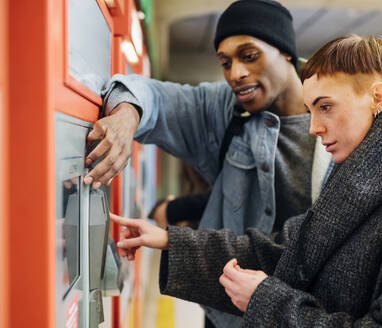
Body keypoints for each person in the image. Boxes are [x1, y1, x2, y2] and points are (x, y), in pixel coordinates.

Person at [110, 35, 382, 327]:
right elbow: (284, 251)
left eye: (325, 107)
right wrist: (166, 240)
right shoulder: (360, 183)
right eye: (310, 110)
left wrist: (267, 302)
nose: (314, 128)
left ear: (378, 98)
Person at [84, 1, 331, 327]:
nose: (236, 74)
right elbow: (153, 97)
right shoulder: (225, 112)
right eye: (225, 62)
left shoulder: (337, 119)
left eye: (249, 56)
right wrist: (127, 115)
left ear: (285, 52)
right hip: (230, 315)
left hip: (306, 313)